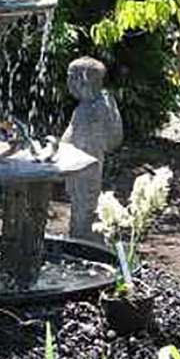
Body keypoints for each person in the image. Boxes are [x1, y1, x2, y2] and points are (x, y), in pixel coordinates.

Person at [62, 57, 123, 240]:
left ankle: (82, 238)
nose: (68, 83)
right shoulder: (90, 105)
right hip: (82, 163)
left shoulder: (94, 109)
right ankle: (80, 234)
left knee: (84, 201)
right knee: (79, 200)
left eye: (71, 78)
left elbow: (110, 138)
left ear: (84, 80)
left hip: (85, 164)